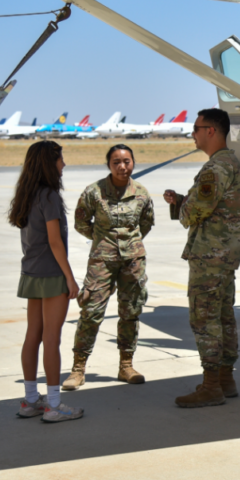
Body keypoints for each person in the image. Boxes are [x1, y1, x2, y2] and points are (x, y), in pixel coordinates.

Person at [163, 108, 240, 408]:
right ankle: (225, 379)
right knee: (224, 318)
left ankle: (211, 387)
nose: (193, 134)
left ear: (211, 131)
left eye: (196, 128)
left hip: (210, 257)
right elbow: (214, 206)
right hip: (224, 256)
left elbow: (195, 213)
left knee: (205, 319)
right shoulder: (230, 163)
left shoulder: (215, 168)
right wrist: (183, 200)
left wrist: (184, 207)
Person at [63, 144, 155, 390]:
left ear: (133, 163)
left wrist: (131, 243)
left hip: (133, 261)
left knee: (131, 312)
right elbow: (81, 221)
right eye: (116, 162)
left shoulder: (142, 193)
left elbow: (146, 223)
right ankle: (78, 369)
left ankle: (126, 365)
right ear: (108, 165)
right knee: (91, 311)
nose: (122, 166)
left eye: (126, 161)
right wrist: (102, 239)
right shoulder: (94, 192)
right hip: (102, 260)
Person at [9, 140, 84, 423]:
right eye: (60, 159)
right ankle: (53, 405)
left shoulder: (27, 194)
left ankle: (30, 401)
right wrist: (69, 277)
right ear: (49, 164)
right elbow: (55, 242)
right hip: (51, 275)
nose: (63, 164)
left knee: (33, 337)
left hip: (31, 273)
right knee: (51, 340)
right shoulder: (50, 196)